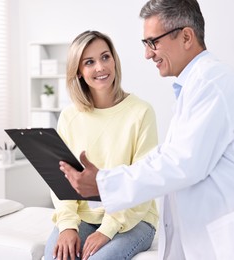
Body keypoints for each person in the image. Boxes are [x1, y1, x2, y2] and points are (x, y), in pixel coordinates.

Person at [59, 0, 234, 259]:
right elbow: (169, 158)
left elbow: (181, 163)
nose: (148, 54)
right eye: (145, 44)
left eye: (153, 42)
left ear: (187, 37)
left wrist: (103, 183)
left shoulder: (212, 83)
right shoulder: (193, 88)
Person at [44, 30, 159, 260]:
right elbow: (62, 179)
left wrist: (107, 230)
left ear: (114, 60)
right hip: (83, 217)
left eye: (105, 57)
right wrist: (67, 225)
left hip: (134, 219)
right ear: (79, 71)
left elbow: (144, 181)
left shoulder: (141, 112)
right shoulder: (69, 116)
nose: (100, 67)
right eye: (89, 62)